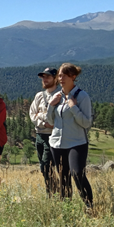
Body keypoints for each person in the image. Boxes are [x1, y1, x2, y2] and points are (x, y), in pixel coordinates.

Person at [47, 63, 93, 208]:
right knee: (63, 177)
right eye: (59, 75)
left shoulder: (82, 96)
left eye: (64, 75)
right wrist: (51, 105)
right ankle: (66, 209)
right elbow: (49, 121)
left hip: (76, 143)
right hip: (57, 143)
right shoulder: (57, 96)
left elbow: (86, 123)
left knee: (77, 174)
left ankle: (89, 206)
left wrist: (73, 107)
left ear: (73, 77)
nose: (61, 78)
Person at [29, 68, 61, 196]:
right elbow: (32, 114)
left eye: (47, 77)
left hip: (53, 136)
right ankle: (54, 191)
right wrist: (44, 122)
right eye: (43, 77)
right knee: (43, 166)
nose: (44, 79)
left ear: (55, 78)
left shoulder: (60, 95)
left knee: (46, 166)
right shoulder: (39, 96)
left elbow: (57, 117)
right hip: (39, 135)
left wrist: (41, 115)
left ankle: (53, 193)